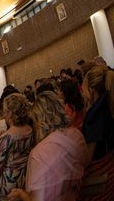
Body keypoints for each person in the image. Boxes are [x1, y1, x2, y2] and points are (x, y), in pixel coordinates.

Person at [7, 91, 88, 201]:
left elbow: (38, 199)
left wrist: (21, 194)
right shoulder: (76, 134)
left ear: (40, 121)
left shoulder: (39, 153)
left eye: (35, 121)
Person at [0, 93, 34, 200]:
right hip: (26, 179)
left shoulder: (7, 138)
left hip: (8, 185)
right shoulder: (31, 129)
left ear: (10, 113)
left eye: (5, 111)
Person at [80, 64, 114, 199]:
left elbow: (88, 157)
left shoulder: (95, 115)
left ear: (92, 90)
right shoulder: (107, 103)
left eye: (84, 90)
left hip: (102, 175)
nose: (83, 93)